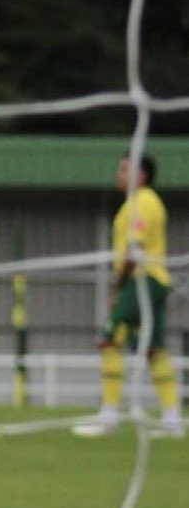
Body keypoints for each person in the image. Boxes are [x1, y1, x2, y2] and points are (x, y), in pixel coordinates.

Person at [73, 153, 184, 438]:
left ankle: (108, 416)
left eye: (124, 169)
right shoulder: (142, 202)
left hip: (142, 280)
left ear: (141, 174)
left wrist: (118, 286)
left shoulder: (142, 202)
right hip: (156, 280)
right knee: (154, 350)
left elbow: (135, 249)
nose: (119, 174)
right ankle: (172, 420)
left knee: (109, 340)